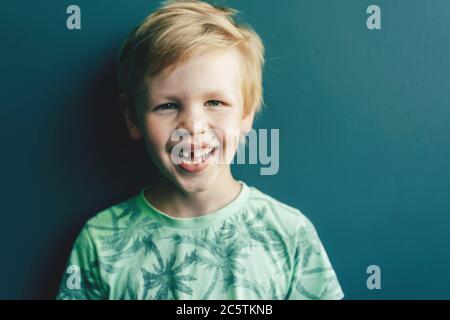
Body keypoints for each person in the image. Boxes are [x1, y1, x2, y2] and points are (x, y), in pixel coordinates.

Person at [56, 0, 344, 300]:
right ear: (132, 118)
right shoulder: (99, 242)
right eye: (167, 105)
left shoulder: (289, 235)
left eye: (215, 103)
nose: (193, 127)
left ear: (246, 113)